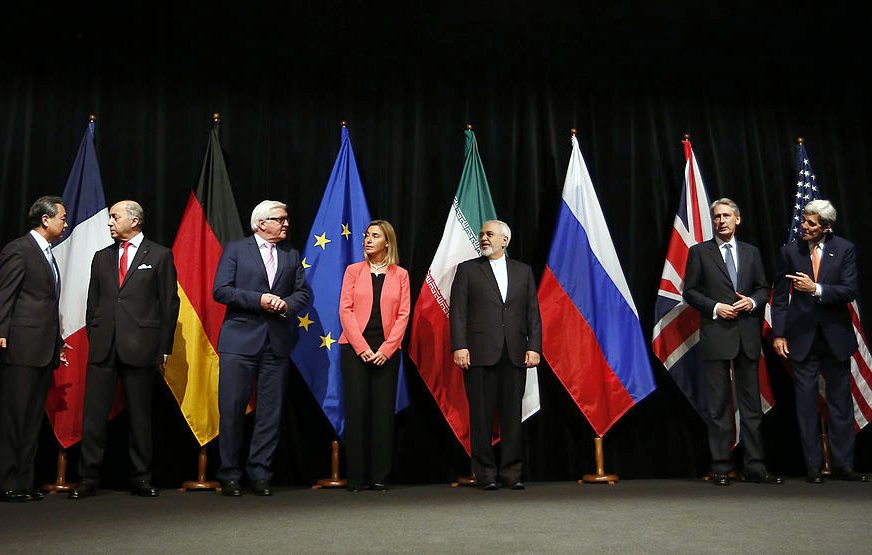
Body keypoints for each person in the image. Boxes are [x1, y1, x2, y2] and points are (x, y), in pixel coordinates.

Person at [69, 200, 180, 499]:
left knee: (141, 417)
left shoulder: (159, 255)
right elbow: (94, 302)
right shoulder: (101, 257)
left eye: (115, 217)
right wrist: (96, 334)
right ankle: (88, 479)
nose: (109, 223)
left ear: (135, 220)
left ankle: (141, 478)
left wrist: (164, 348)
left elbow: (169, 304)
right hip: (103, 347)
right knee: (93, 417)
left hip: (141, 347)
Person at [213, 200, 310, 497]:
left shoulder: (291, 256)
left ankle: (260, 474)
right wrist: (259, 300)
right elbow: (221, 290)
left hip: (276, 343)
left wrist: (286, 304)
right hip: (239, 342)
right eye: (280, 219)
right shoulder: (236, 250)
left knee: (270, 413)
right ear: (261, 223)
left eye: (286, 219)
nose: (286, 224)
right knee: (231, 410)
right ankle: (229, 474)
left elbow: (303, 293)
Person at [683, 198, 782, 485]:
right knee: (718, 406)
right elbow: (689, 291)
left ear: (738, 220)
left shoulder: (751, 253)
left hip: (747, 336)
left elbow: (763, 288)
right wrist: (715, 308)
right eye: (716, 217)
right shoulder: (699, 252)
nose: (721, 221)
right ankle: (721, 467)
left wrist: (752, 302)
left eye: (727, 216)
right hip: (716, 335)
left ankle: (755, 466)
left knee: (751, 406)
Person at [772, 199, 868, 483]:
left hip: (835, 337)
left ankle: (843, 465)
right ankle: (813, 467)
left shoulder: (844, 249)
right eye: (804, 220)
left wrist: (816, 289)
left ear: (826, 227)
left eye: (811, 223)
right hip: (801, 337)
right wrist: (779, 333)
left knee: (840, 402)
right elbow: (778, 297)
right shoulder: (790, 251)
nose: (804, 226)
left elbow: (849, 289)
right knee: (805, 404)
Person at [450, 220, 541, 490]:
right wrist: (459, 345)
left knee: (513, 416)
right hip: (478, 354)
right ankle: (486, 474)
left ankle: (512, 474)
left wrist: (534, 346)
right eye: (481, 234)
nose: (484, 238)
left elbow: (533, 313)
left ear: (505, 240)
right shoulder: (468, 270)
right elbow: (458, 312)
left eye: (489, 234)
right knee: (480, 416)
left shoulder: (523, 272)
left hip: (514, 354)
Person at [0, 196, 68, 502]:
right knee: (15, 417)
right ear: (45, 220)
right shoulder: (19, 250)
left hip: (42, 349)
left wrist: (57, 344)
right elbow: (6, 295)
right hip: (20, 347)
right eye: (62, 218)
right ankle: (7, 482)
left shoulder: (49, 254)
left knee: (30, 419)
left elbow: (46, 305)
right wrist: (1, 333)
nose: (65, 223)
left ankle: (24, 481)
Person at [338, 220, 410, 492]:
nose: (367, 240)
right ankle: (355, 477)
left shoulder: (400, 274)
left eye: (374, 236)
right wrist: (362, 348)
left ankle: (379, 476)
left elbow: (404, 314)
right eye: (366, 235)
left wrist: (386, 349)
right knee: (356, 412)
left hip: (386, 351)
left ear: (387, 243)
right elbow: (345, 310)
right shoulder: (353, 271)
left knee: (382, 414)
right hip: (355, 348)